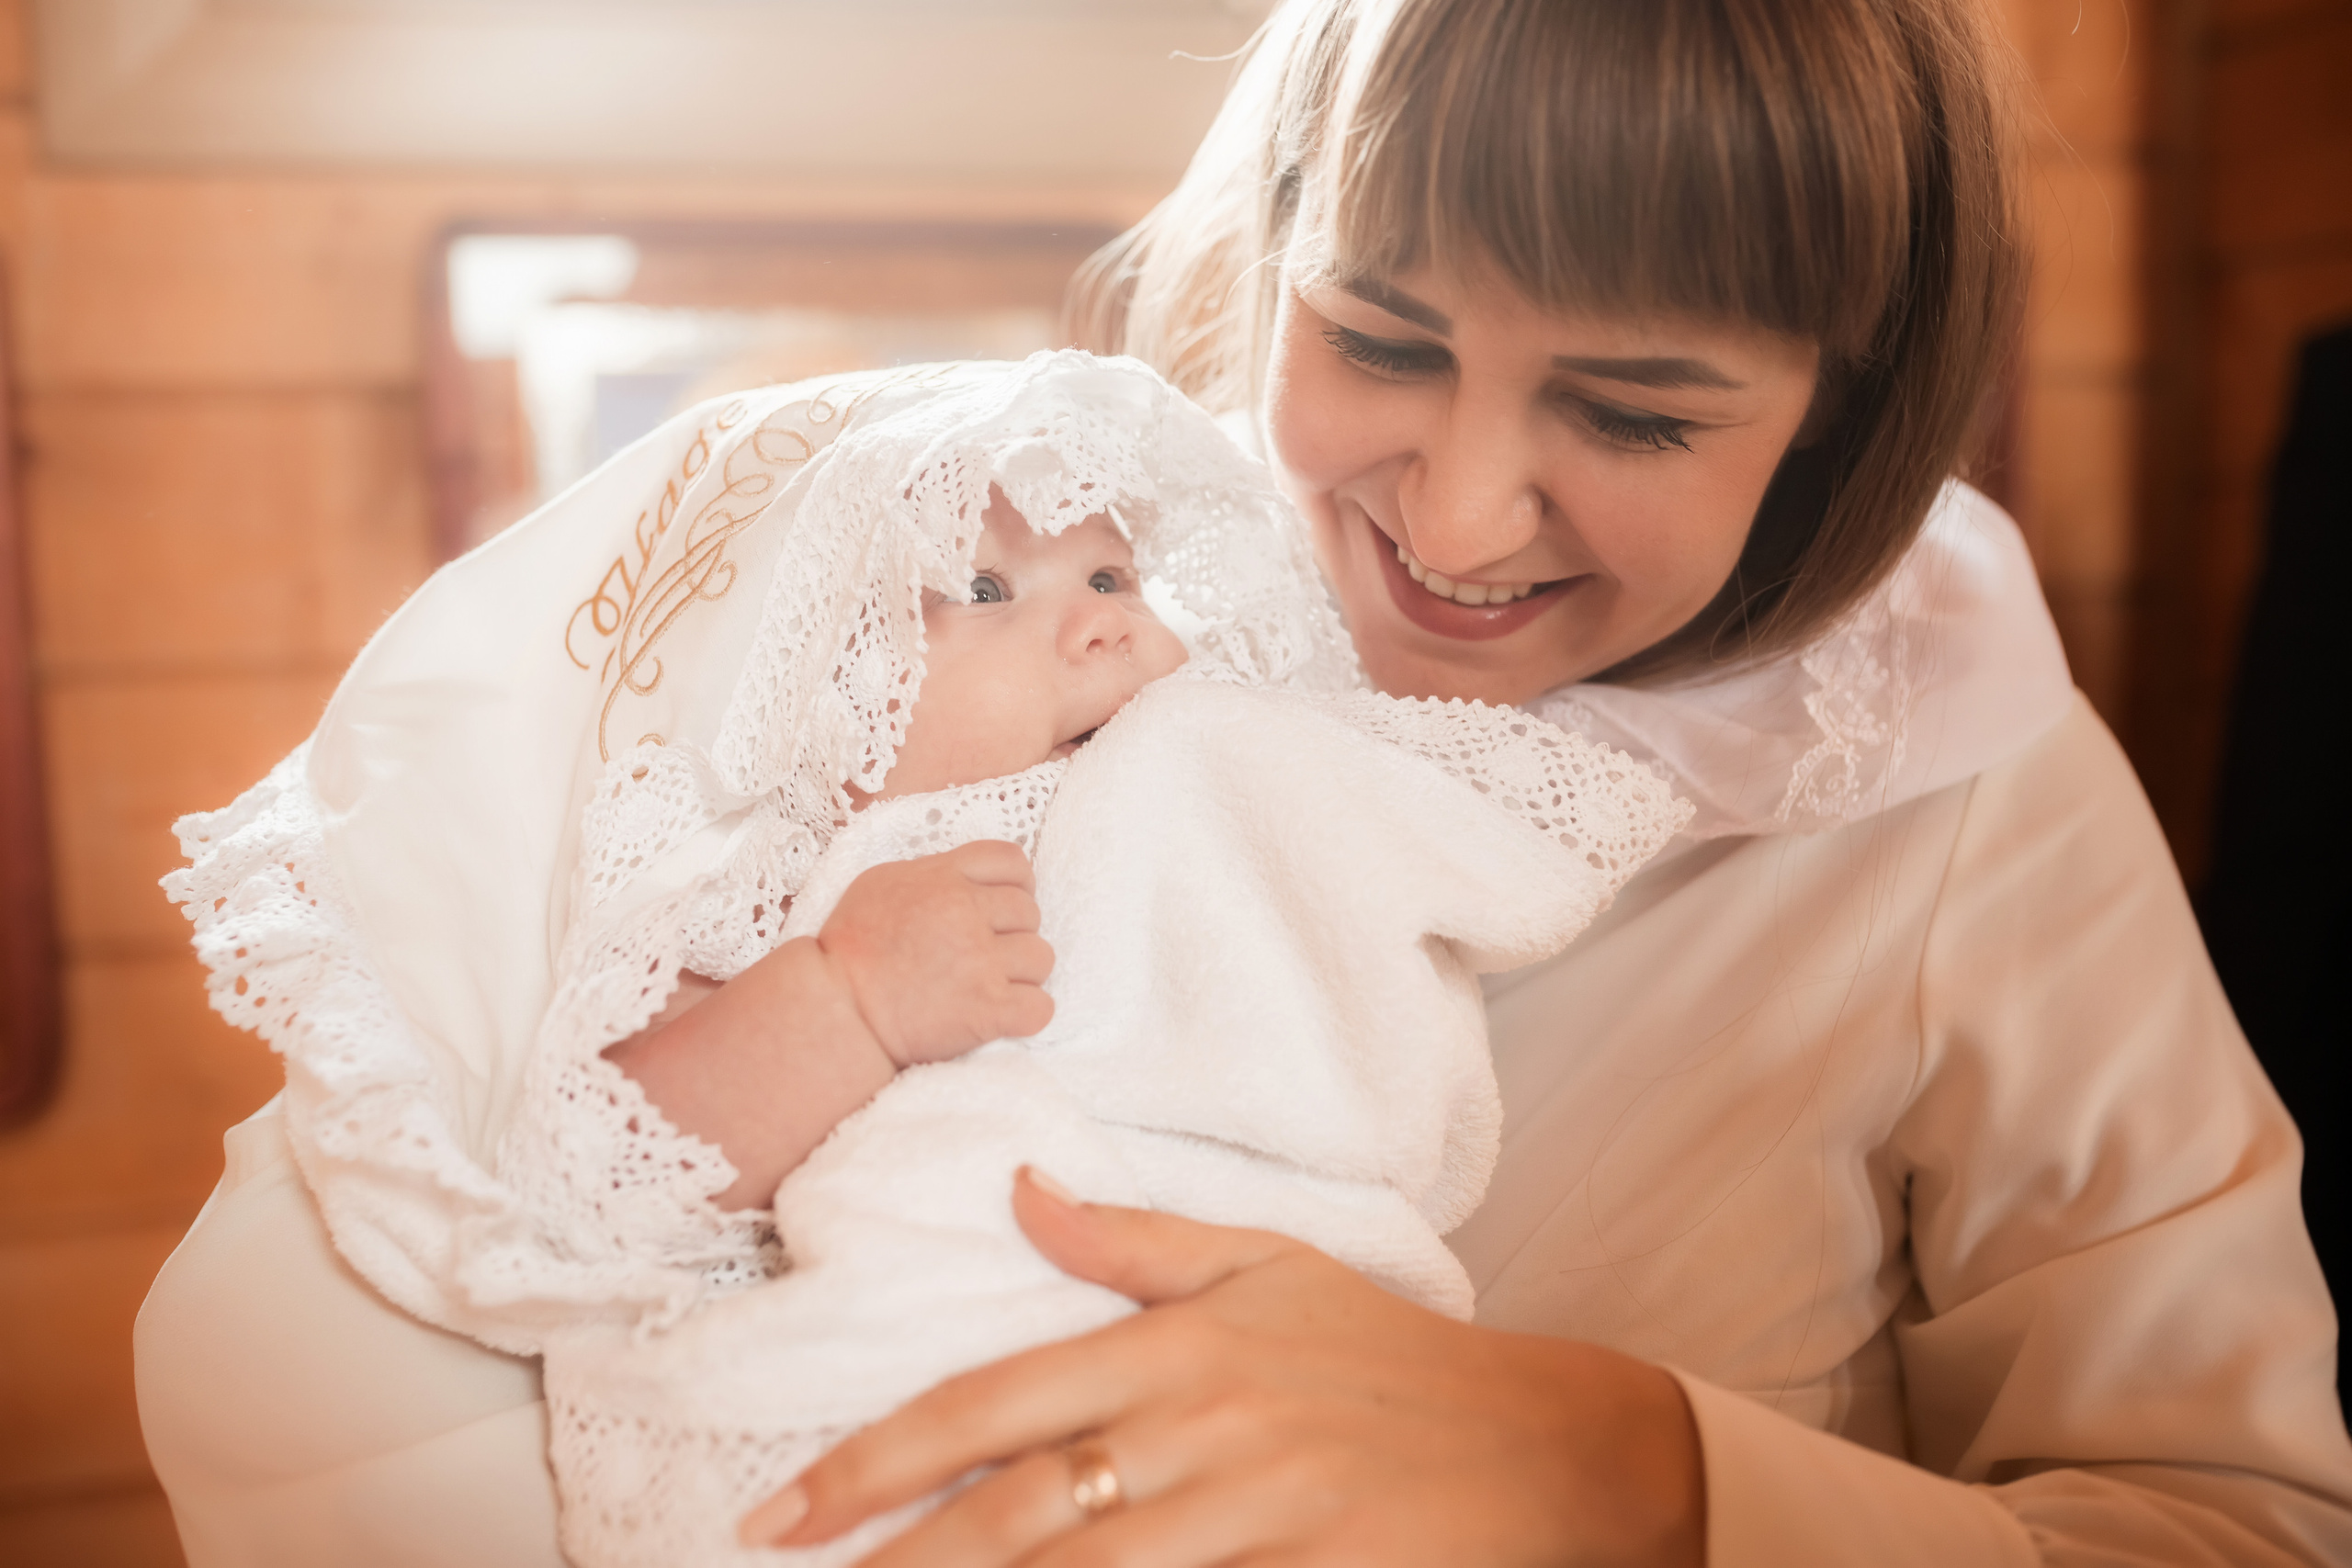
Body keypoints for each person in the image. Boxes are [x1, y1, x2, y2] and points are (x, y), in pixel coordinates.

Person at [137, 1, 2352, 1563]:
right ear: (1273, 239)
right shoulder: (1013, 604)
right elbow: (487, 1184)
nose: (1462, 516)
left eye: (1641, 415)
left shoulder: (1948, 777)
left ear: (1836, 421)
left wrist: (1630, 1475)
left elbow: (2236, 1518)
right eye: (1380, 339)